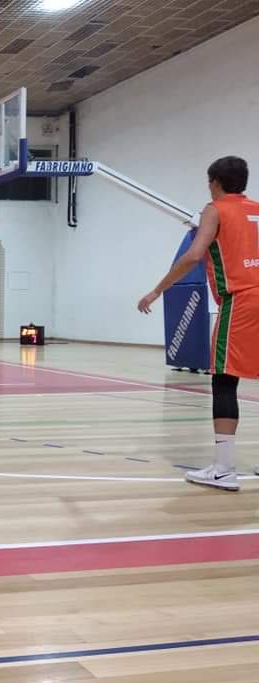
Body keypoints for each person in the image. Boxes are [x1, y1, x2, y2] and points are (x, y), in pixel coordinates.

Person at [138, 155, 259, 491]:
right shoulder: (256, 210)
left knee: (224, 380)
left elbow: (193, 255)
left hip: (241, 301)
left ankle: (223, 469)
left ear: (214, 182)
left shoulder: (215, 210)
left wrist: (157, 290)